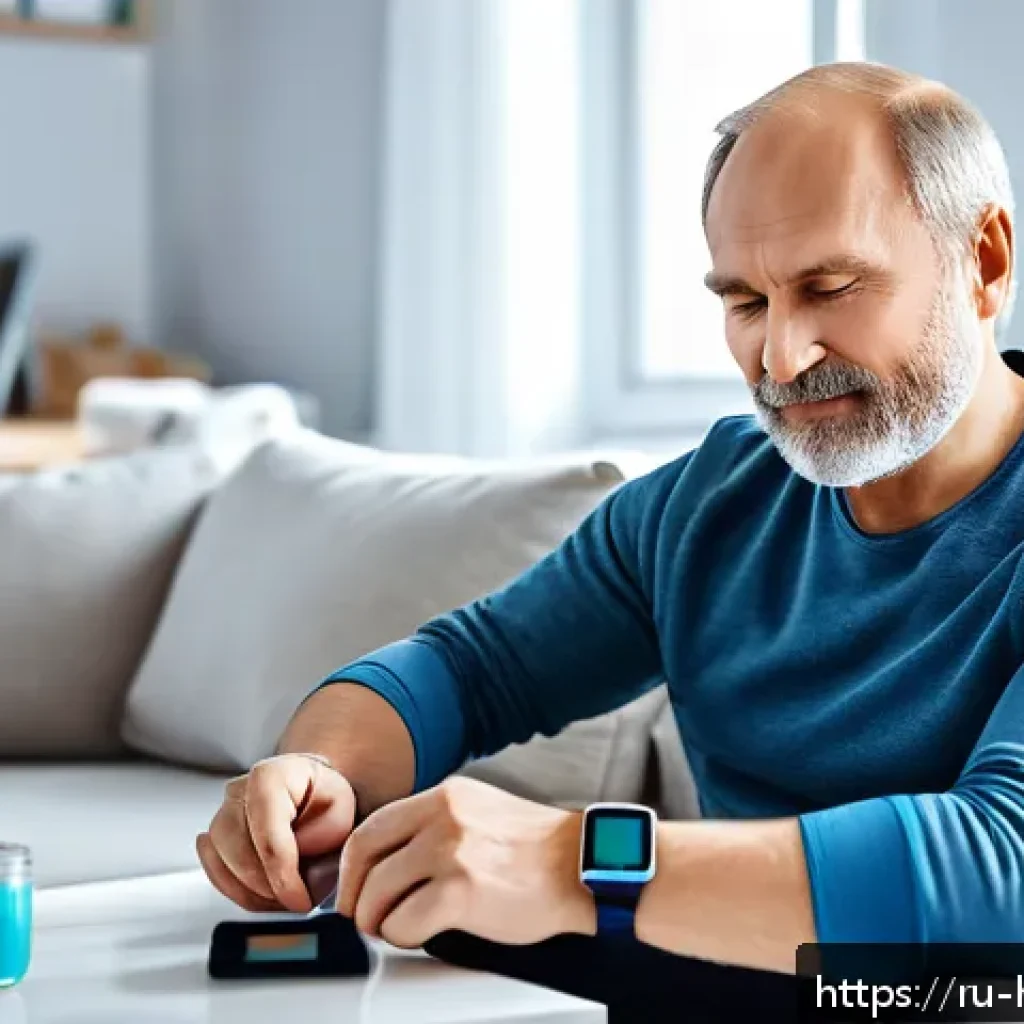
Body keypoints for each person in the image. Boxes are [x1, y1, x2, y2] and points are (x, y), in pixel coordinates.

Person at [197, 60, 1024, 1014]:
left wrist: (570, 864)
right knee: (413, 915)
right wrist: (317, 774)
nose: (782, 358)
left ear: (986, 261)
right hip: (741, 981)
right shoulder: (709, 505)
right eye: (745, 303)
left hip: (969, 994)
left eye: (831, 286)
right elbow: (470, 667)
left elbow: (997, 872)